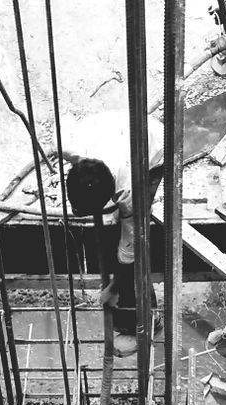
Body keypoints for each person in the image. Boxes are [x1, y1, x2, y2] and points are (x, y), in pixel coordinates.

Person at [60, 110, 165, 357]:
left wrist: (118, 280)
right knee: (114, 235)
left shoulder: (128, 189)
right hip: (120, 132)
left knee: (133, 253)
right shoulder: (79, 151)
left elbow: (130, 247)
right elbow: (60, 146)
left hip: (155, 150)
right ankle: (120, 292)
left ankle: (147, 325)